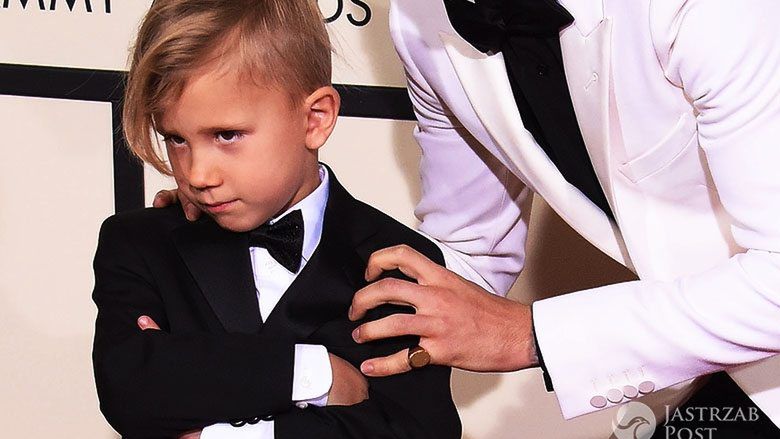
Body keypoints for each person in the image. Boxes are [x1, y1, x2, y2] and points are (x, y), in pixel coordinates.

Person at [342, 0, 780, 434]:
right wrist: (319, 322)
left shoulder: (708, 9)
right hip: (720, 365)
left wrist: (528, 337)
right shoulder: (419, 19)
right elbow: (471, 249)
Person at [91, 0, 461, 438]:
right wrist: (314, 372)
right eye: (176, 139)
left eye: (226, 135)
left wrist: (209, 425)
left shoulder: (397, 261)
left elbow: (415, 431)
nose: (197, 174)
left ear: (315, 119)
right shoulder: (138, 242)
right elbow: (129, 387)